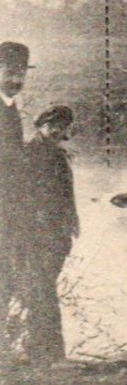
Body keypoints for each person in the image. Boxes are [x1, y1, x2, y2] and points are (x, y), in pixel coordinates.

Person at [17, 106, 77, 365]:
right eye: (53, 125)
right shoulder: (31, 152)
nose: (57, 130)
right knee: (41, 290)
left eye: (63, 126)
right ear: (40, 126)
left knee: (42, 289)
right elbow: (25, 194)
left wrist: (72, 221)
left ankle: (42, 352)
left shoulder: (57, 153)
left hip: (57, 233)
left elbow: (65, 194)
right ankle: (46, 353)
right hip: (39, 233)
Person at [0, 41, 32, 363]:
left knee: (7, 277)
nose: (16, 79)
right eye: (10, 72)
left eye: (21, 73)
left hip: (8, 209)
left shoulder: (9, 107)